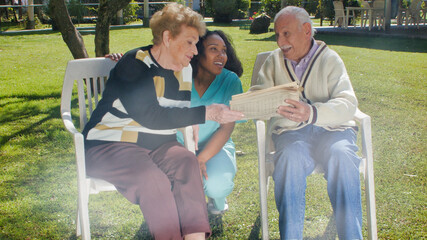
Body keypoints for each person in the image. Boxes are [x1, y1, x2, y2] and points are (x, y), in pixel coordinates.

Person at [82, 3, 243, 240]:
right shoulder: (134, 64)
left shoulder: (184, 70)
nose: (195, 51)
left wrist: (192, 121)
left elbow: (173, 112)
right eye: (190, 42)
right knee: (153, 179)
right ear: (167, 37)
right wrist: (205, 113)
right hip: (109, 145)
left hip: (158, 145)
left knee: (188, 163)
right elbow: (151, 115)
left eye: (196, 43)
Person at [250, 6, 362, 240]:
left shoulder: (330, 59)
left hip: (333, 131)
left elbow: (347, 102)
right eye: (277, 35)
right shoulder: (274, 61)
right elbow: (259, 95)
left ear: (307, 30)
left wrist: (311, 112)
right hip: (292, 134)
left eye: (286, 33)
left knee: (342, 154)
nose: (280, 41)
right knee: (290, 158)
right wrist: (257, 102)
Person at [177, 30, 244, 215]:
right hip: (177, 145)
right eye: (213, 49)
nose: (221, 55)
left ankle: (217, 199)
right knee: (177, 182)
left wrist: (200, 160)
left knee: (217, 184)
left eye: (223, 50)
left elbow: (226, 128)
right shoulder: (177, 75)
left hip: (216, 146)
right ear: (197, 51)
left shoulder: (230, 81)